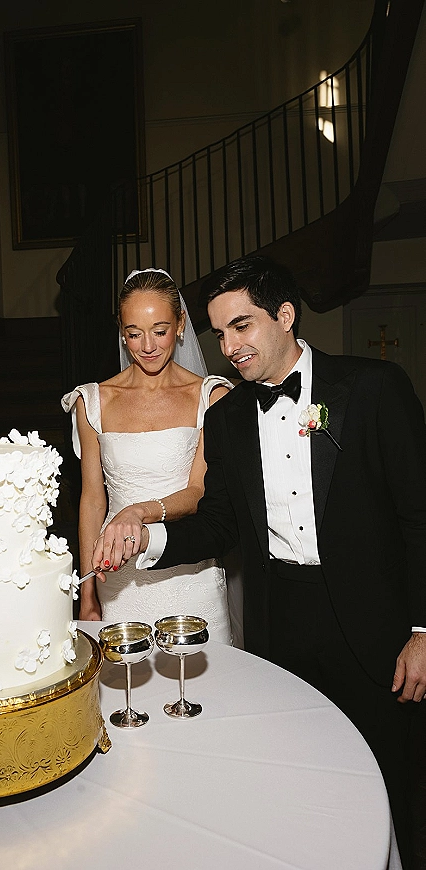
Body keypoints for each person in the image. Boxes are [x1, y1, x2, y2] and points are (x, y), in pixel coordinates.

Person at [93, 255, 426, 867]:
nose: (229, 346)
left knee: (386, 784)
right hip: (281, 624)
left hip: (373, 627)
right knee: (298, 778)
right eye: (219, 333)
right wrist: (150, 536)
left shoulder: (374, 388)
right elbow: (220, 525)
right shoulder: (226, 418)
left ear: (286, 315)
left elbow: (418, 516)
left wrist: (423, 630)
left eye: (242, 326)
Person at [62, 267, 238, 644]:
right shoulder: (92, 401)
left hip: (193, 578)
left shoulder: (210, 397)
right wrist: (88, 594)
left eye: (159, 330)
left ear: (180, 325)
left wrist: (138, 511)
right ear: (122, 334)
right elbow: (92, 499)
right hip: (120, 581)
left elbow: (198, 492)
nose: (148, 346)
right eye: (134, 333)